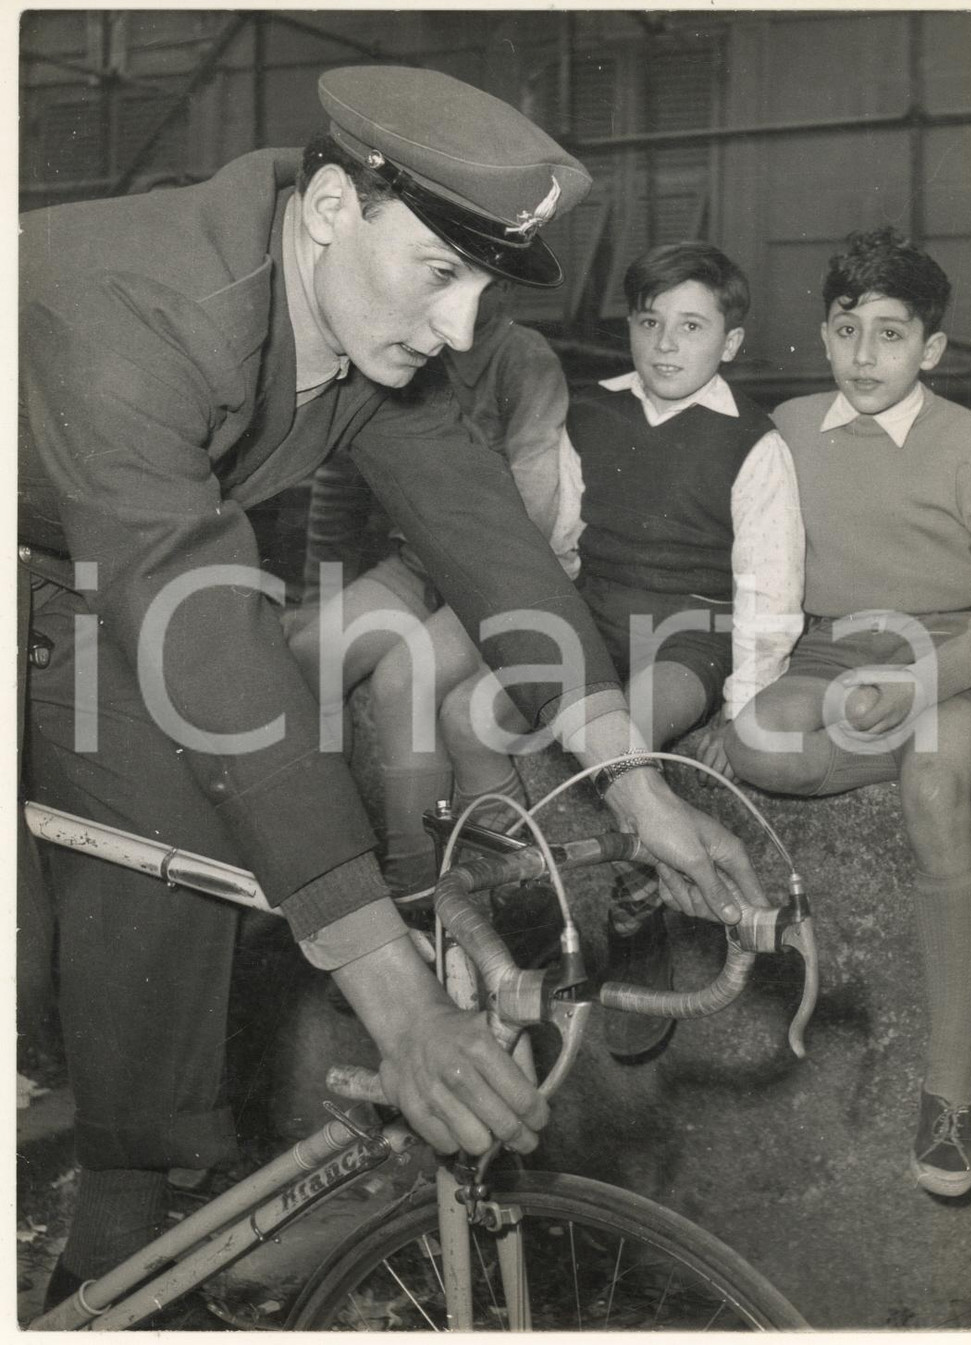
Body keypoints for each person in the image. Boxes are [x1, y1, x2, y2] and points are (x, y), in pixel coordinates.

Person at [19, 65, 772, 1308]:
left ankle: (115, 1258)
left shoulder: (362, 321)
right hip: (80, 540)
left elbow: (490, 543)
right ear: (329, 208)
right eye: (440, 274)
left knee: (173, 831)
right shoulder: (138, 305)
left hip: (73, 558)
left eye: (485, 288)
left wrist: (636, 788)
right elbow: (207, 647)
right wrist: (400, 1004)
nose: (463, 330)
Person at [436, 241, 805, 1059]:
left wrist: (742, 709)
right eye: (650, 323)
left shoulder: (753, 441)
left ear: (730, 343)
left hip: (688, 634)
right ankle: (513, 906)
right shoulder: (593, 410)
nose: (667, 344)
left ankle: (636, 910)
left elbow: (770, 592)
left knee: (628, 727)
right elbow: (565, 537)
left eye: (691, 326)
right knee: (466, 717)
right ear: (631, 328)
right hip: (592, 617)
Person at [723, 227, 971, 1197]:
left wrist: (920, 691)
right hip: (833, 647)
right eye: (844, 331)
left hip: (959, 656)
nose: (864, 357)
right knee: (756, 738)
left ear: (930, 347)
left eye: (889, 334)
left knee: (930, 782)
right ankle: (912, 741)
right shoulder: (786, 427)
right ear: (821, 336)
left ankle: (951, 1082)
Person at [288, 283, 576, 901]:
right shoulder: (408, 342)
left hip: (497, 574)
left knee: (402, 680)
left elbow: (537, 492)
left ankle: (419, 885)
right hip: (418, 566)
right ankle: (332, 863)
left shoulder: (525, 360)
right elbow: (340, 480)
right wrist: (318, 591)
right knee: (310, 656)